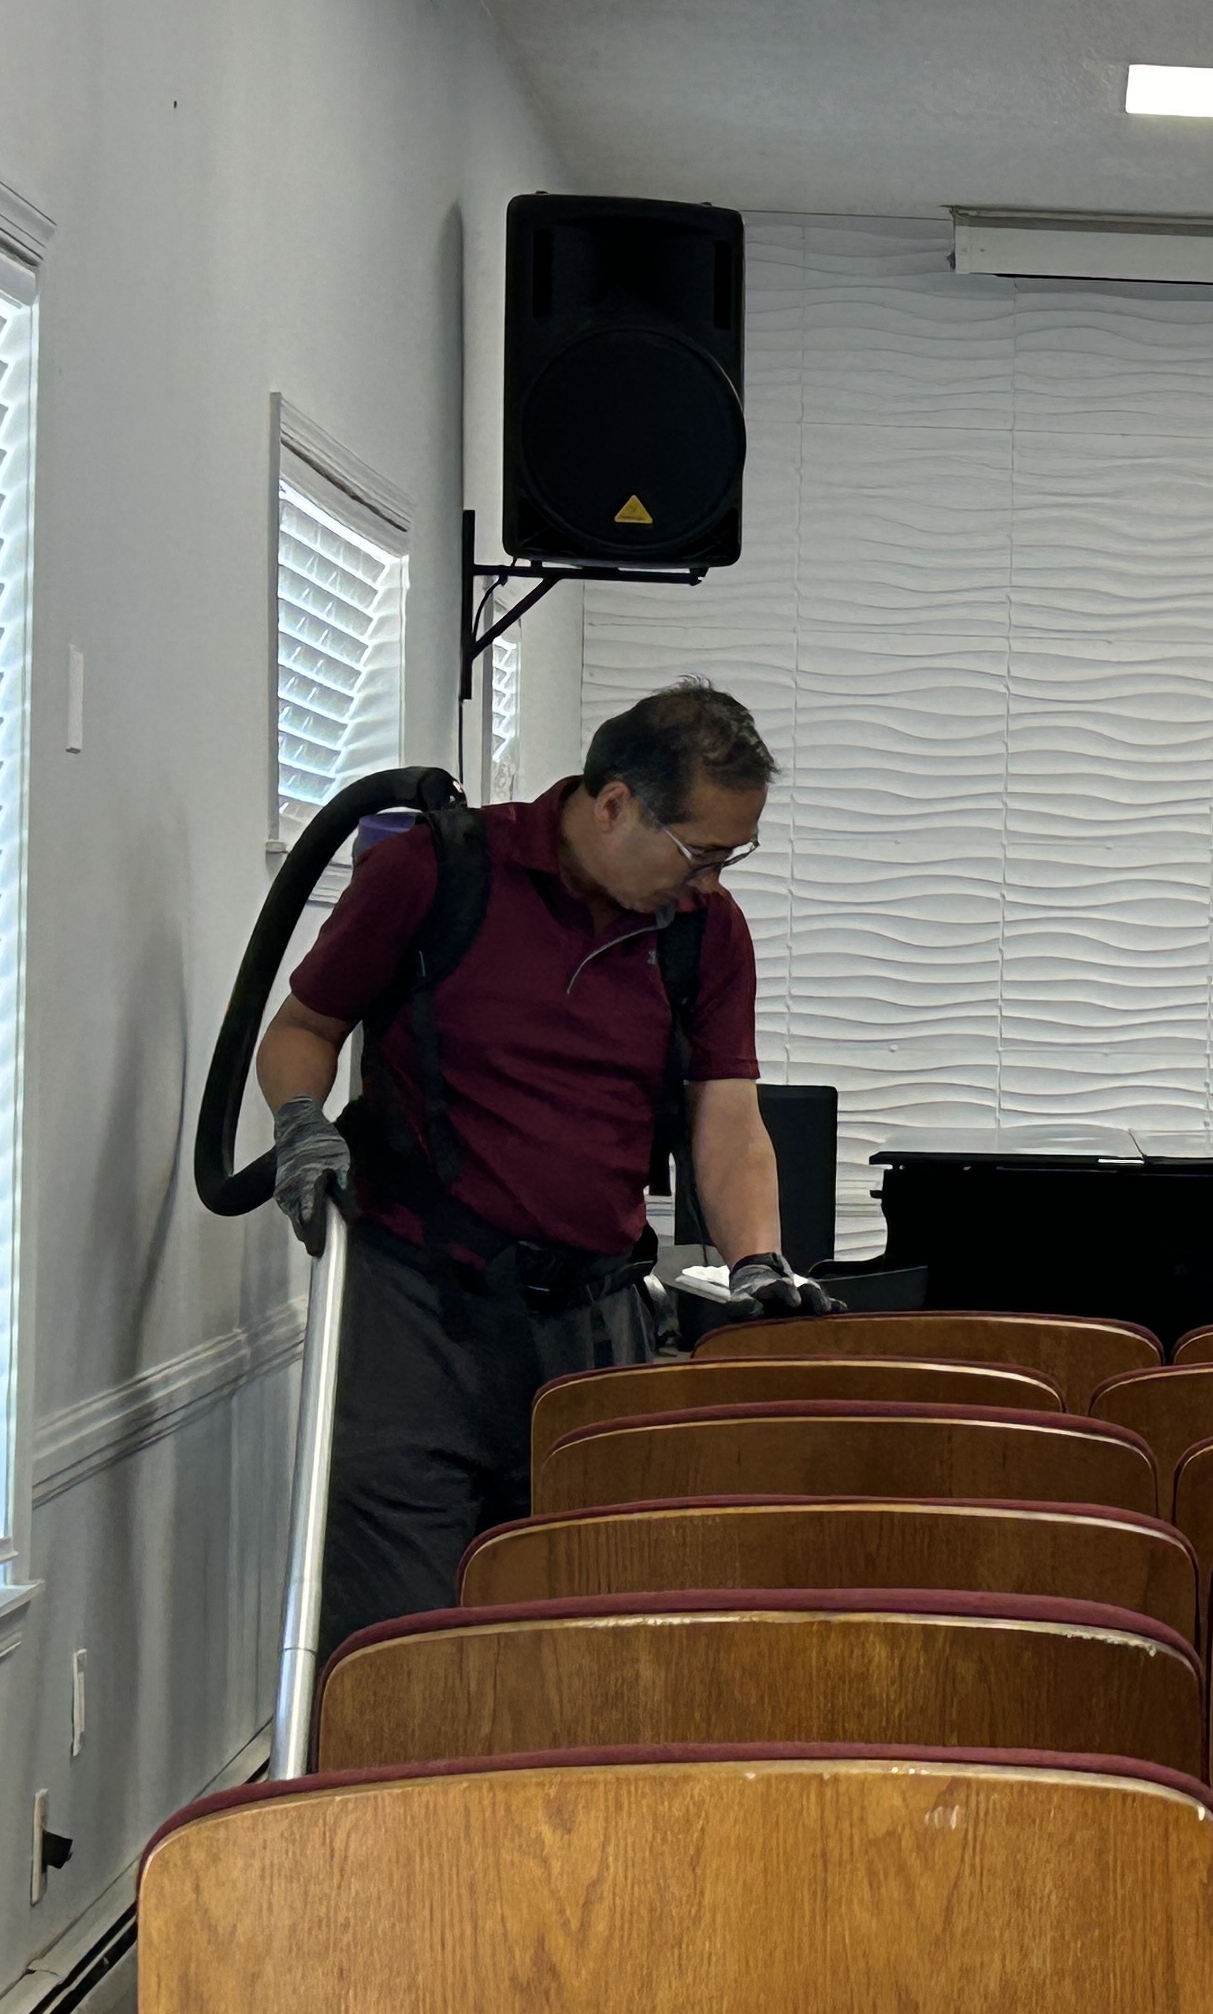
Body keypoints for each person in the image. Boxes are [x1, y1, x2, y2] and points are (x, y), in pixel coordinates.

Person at [258, 682, 838, 1655]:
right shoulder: (435, 873)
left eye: (730, 859)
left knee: (573, 1646)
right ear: (614, 804)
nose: (710, 883)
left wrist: (757, 1263)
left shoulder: (703, 933)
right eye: (699, 853)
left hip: (590, 1329)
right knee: (401, 1650)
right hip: (416, 1319)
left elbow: (727, 1115)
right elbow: (304, 1030)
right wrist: (300, 1126)